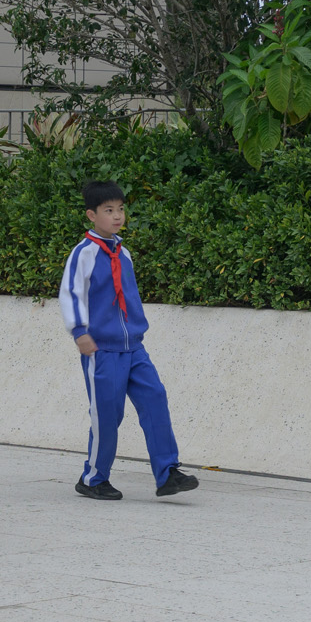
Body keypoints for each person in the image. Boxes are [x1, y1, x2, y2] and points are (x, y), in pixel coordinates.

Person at [60, 181, 200, 503]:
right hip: (101, 348)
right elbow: (71, 292)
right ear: (91, 216)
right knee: (108, 415)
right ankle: (93, 478)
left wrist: (136, 331)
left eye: (121, 209)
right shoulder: (84, 253)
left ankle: (168, 473)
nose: (117, 216)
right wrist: (80, 332)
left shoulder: (124, 253)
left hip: (134, 347)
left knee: (155, 397)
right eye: (109, 210)